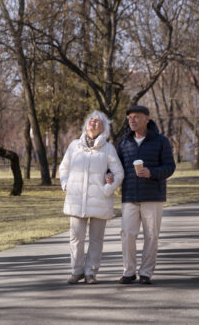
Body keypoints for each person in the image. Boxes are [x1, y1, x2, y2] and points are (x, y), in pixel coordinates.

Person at [59, 110, 124, 284]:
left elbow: (119, 173)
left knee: (96, 239)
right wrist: (65, 184)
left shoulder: (108, 148)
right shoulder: (74, 146)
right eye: (91, 120)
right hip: (76, 200)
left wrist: (108, 188)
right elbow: (64, 168)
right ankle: (76, 271)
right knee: (76, 237)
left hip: (99, 200)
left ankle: (91, 272)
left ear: (104, 128)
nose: (93, 122)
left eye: (98, 121)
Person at [115, 105, 175, 285]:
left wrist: (152, 173)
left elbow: (170, 167)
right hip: (129, 196)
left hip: (153, 196)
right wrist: (110, 174)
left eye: (137, 117)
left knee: (151, 235)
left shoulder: (160, 141)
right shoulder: (124, 142)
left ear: (147, 119)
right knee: (127, 234)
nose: (132, 120)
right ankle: (129, 271)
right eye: (130, 117)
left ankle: (146, 272)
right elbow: (116, 167)